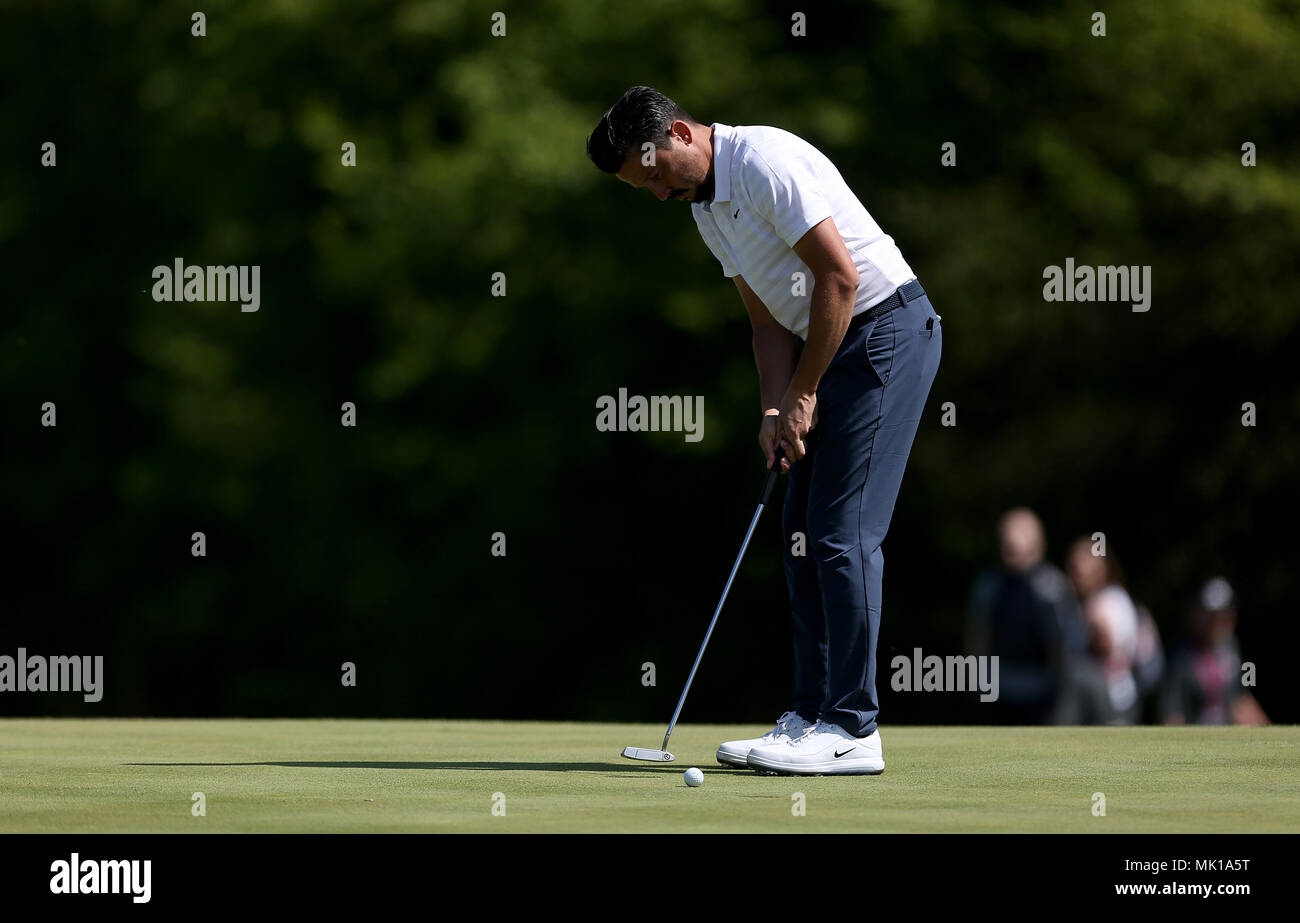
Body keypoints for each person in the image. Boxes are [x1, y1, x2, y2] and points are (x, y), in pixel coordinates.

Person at [588, 87, 942, 774]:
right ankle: (807, 717)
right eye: (644, 188)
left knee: (843, 531)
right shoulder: (705, 211)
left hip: (885, 332)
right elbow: (767, 322)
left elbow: (838, 280)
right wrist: (774, 409)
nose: (658, 193)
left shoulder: (765, 162)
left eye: (655, 173)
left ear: (681, 133)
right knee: (802, 534)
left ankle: (852, 727)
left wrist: (805, 392)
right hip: (828, 344)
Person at [966, 508, 1078, 724]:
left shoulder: (1053, 588)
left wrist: (1061, 690)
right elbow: (977, 638)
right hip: (998, 687)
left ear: (1037, 542)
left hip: (1043, 690)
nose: (1010, 542)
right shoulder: (989, 585)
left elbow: (1065, 647)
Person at [1161, 577, 1268, 726]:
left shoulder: (1233, 647)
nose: (1217, 622)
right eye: (1211, 615)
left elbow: (1243, 699)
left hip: (1230, 737)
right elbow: (1172, 716)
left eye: (1224, 614)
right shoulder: (1180, 656)